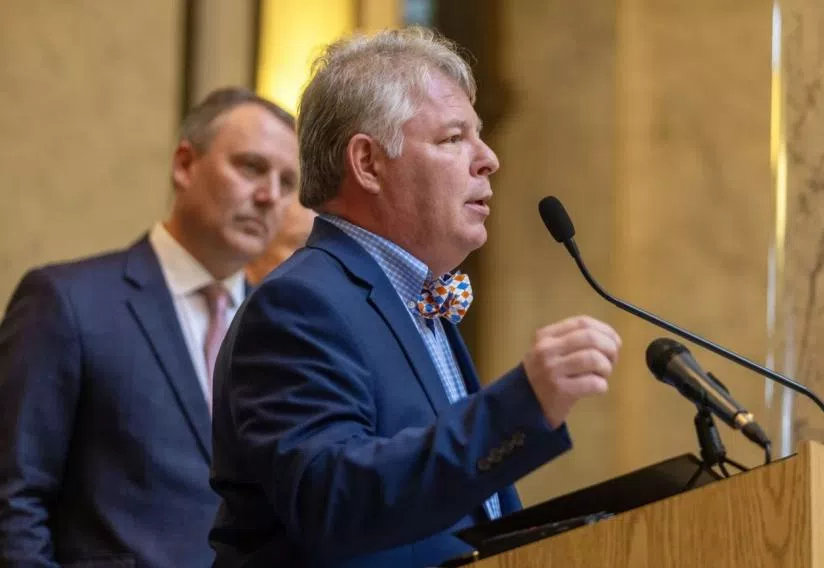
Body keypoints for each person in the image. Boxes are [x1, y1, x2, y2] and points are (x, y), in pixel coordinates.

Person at [209, 28, 621, 568]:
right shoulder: (299, 304)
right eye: (454, 138)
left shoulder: (417, 300)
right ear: (368, 163)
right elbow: (333, 501)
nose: (489, 158)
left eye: (479, 136)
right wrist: (519, 405)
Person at [0, 87, 299, 567]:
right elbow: (14, 499)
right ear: (185, 165)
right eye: (251, 167)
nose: (269, 197)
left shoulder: (282, 329)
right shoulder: (67, 302)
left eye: (287, 183)